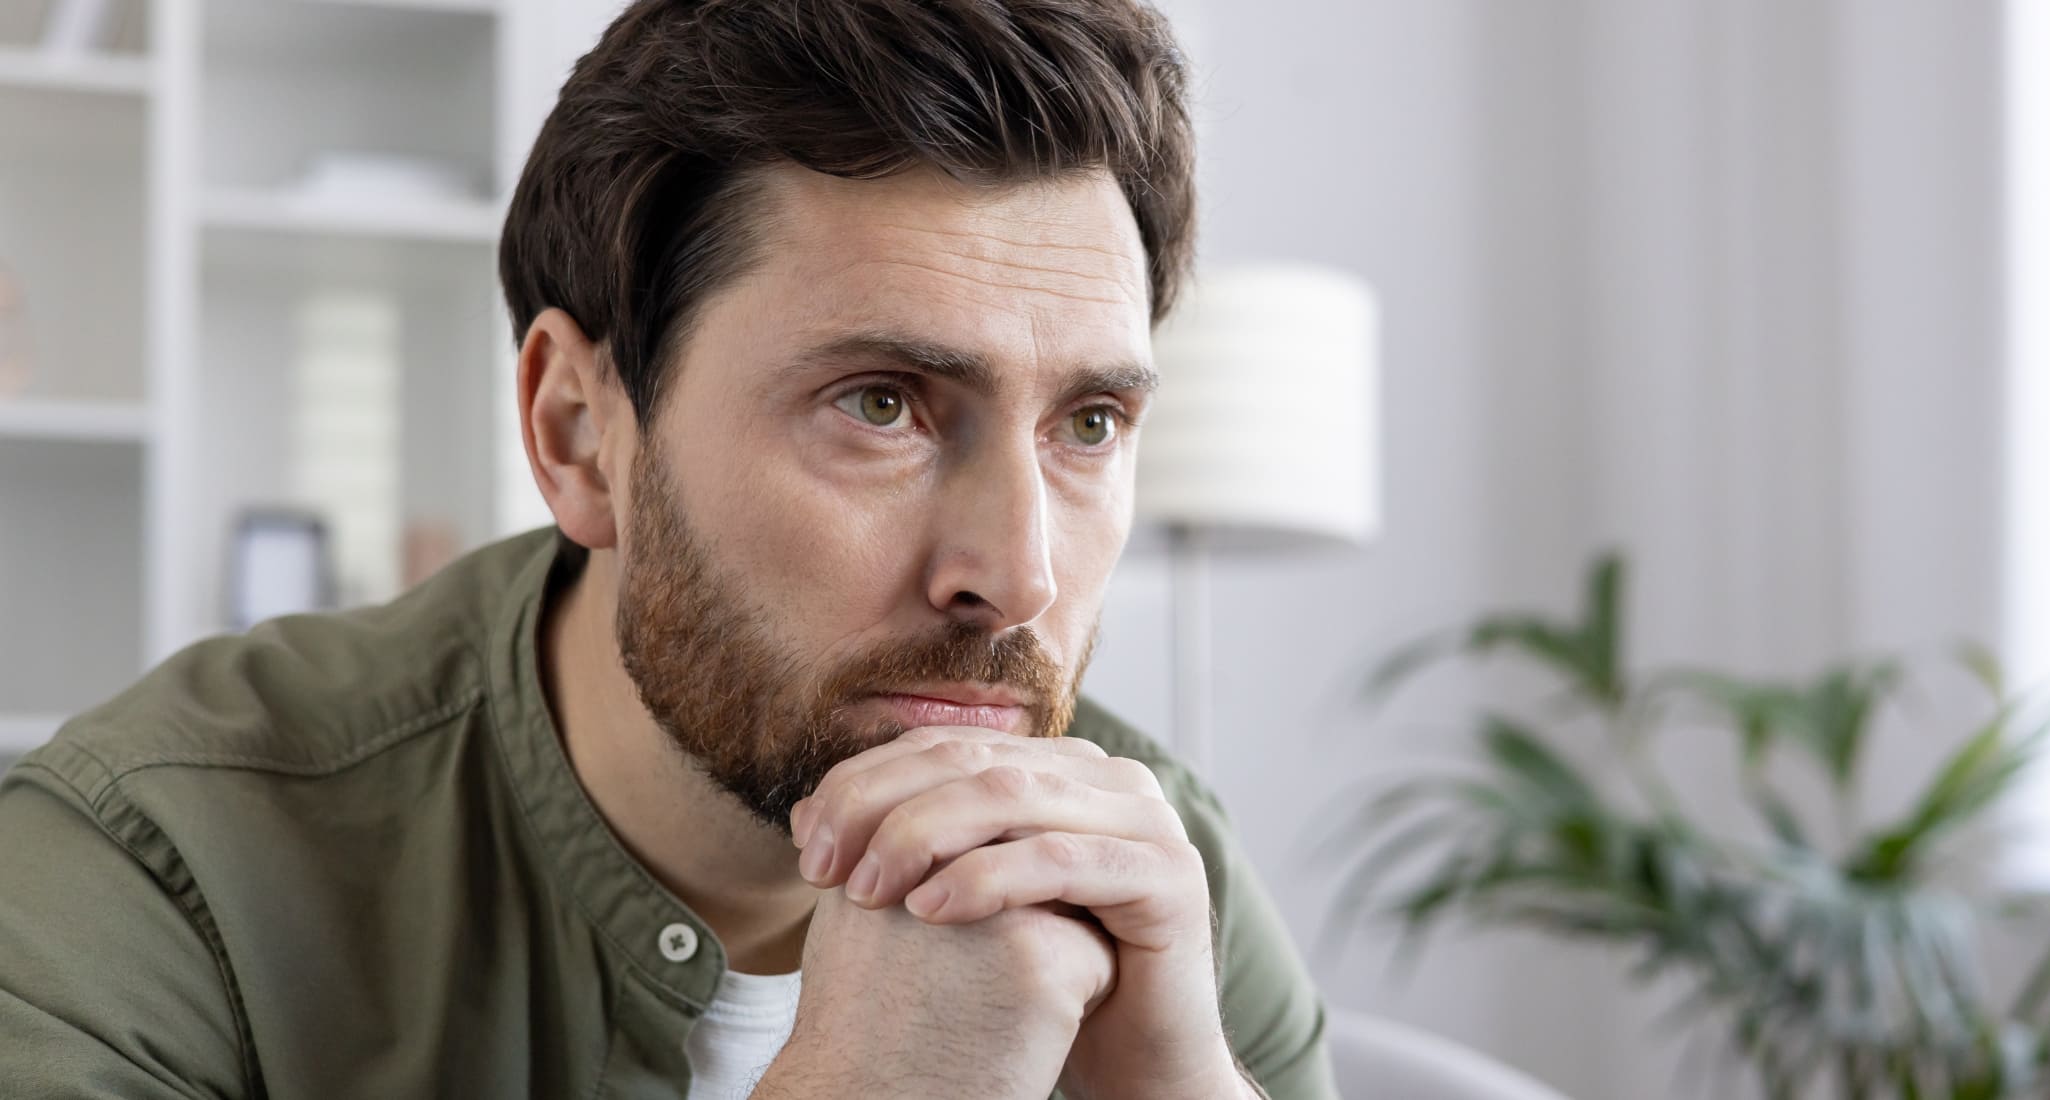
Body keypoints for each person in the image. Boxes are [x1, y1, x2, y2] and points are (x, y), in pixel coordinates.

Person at [0, 1, 1339, 1096]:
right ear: (580, 434)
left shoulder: (1159, 881)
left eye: (1089, 422)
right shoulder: (154, 878)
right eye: (881, 405)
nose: (1019, 574)